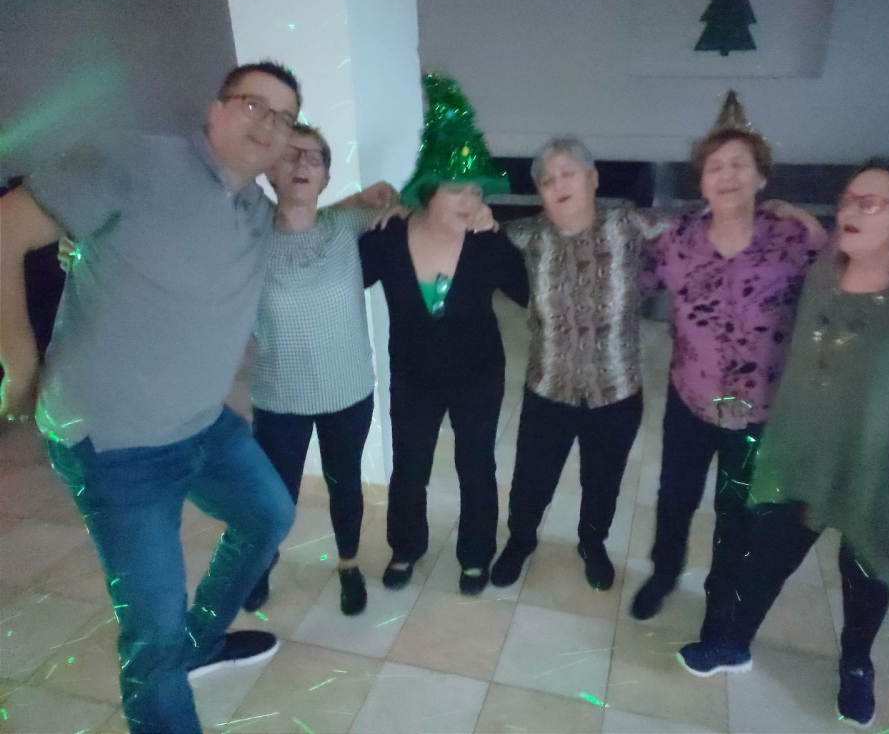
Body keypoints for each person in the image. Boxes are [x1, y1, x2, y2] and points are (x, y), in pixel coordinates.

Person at [0, 62, 303, 734]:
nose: (267, 124)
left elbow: (319, 219)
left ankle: (202, 643)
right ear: (215, 110)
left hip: (202, 426)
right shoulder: (131, 161)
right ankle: (176, 662)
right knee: (153, 632)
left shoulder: (258, 212)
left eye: (283, 118)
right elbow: (5, 231)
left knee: (269, 516)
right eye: (253, 104)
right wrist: (18, 360)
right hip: (115, 446)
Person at [676, 159, 889, 731]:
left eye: (870, 204)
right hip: (801, 456)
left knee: (864, 575)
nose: (849, 211)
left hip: (879, 473)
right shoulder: (824, 272)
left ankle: (856, 666)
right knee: (764, 558)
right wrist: (794, 215)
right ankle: (733, 642)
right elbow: (811, 243)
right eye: (847, 199)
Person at [489, 132, 818, 593]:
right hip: (548, 388)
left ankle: (592, 543)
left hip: (616, 391)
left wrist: (790, 212)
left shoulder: (629, 224)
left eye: (569, 173)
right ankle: (520, 542)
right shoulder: (526, 236)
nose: (558, 184)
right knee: (530, 480)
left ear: (592, 178)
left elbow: (704, 220)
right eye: (547, 180)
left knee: (603, 483)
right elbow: (473, 238)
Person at [630, 92, 826, 623]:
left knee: (735, 507)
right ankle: (665, 572)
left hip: (758, 411)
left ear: (761, 177)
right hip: (690, 400)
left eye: (739, 164)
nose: (727, 175)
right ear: (701, 182)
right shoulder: (678, 241)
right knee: (675, 496)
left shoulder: (793, 239)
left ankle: (722, 590)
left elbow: (852, 276)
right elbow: (629, 280)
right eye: (715, 167)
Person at [361, 74, 529, 596]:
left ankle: (475, 554)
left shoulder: (486, 244)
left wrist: (501, 236)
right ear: (429, 189)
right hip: (413, 376)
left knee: (476, 466)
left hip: (478, 374)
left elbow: (530, 293)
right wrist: (358, 208)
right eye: (457, 187)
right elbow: (340, 276)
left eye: (476, 188)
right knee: (410, 468)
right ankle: (405, 547)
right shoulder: (390, 237)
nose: (469, 199)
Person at [243, 123, 398, 616]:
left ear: (327, 176)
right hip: (280, 397)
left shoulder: (346, 225)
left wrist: (383, 196)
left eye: (315, 157)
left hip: (347, 390)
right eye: (291, 155)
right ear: (270, 170)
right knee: (275, 495)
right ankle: (259, 564)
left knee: (344, 483)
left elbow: (407, 206)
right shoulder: (248, 239)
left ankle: (348, 565)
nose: (303, 164)